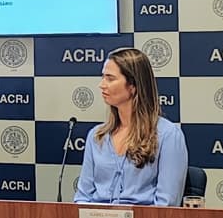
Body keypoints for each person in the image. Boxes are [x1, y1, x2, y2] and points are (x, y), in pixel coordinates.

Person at [74, 48, 187, 205]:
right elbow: (82, 198)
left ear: (133, 86)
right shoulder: (96, 136)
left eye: (110, 79)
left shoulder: (168, 135)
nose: (102, 85)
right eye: (103, 77)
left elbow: (166, 206)